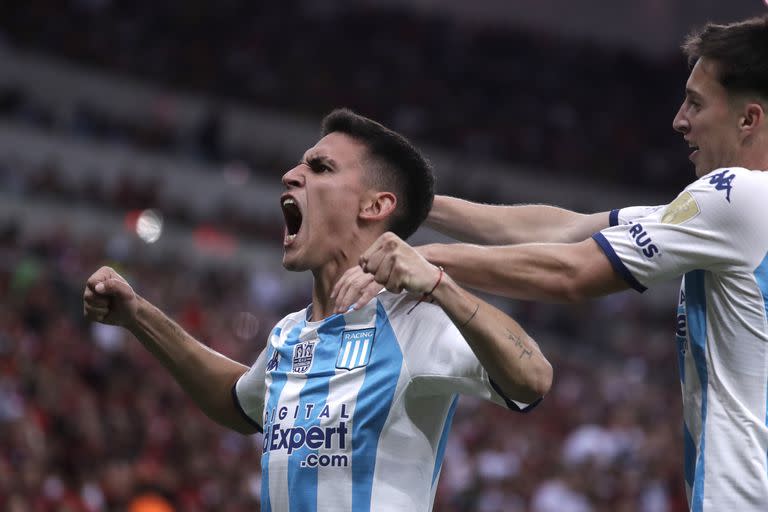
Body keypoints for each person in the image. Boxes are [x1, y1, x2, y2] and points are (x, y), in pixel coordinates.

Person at [332, 15, 768, 511]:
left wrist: (425, 263)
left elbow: (573, 272)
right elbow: (563, 229)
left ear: (748, 119)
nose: (678, 119)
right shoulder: (736, 212)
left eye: (695, 101)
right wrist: (409, 205)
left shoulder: (737, 197)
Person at [83, 109, 552, 512]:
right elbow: (236, 403)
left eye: (321, 167)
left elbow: (533, 378)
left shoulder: (416, 319)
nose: (291, 174)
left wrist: (442, 285)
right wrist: (137, 315)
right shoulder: (290, 334)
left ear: (375, 205)